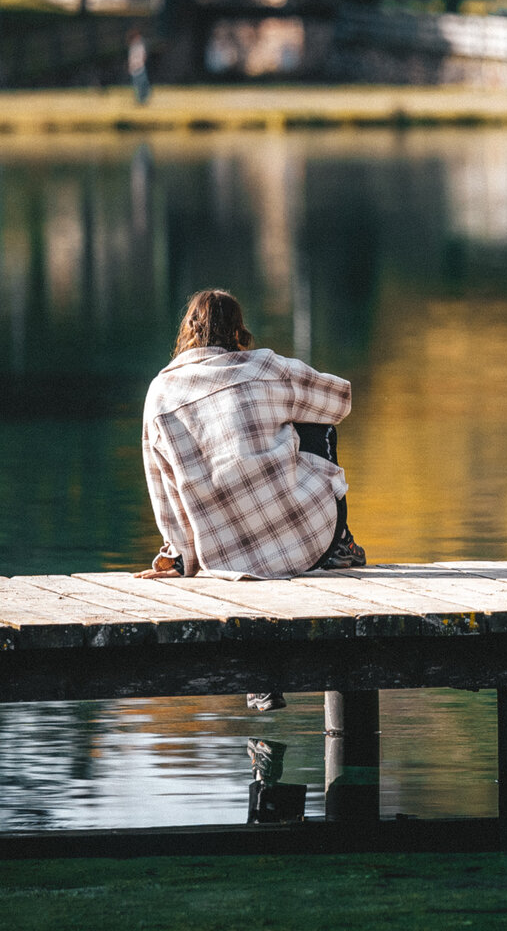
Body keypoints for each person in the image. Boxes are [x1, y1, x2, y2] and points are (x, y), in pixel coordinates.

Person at [136, 290, 365, 714]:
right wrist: (280, 405)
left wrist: (180, 557)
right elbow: (339, 401)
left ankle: (261, 681)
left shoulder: (159, 393)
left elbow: (163, 487)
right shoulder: (264, 366)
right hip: (306, 538)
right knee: (319, 425)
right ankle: (341, 546)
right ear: (239, 330)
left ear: (187, 331)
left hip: (222, 557)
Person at [128, 28, 151, 105]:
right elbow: (131, 57)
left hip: (140, 66)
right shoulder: (133, 46)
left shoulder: (140, 45)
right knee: (137, 85)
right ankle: (140, 100)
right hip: (135, 67)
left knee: (143, 84)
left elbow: (143, 55)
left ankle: (143, 99)